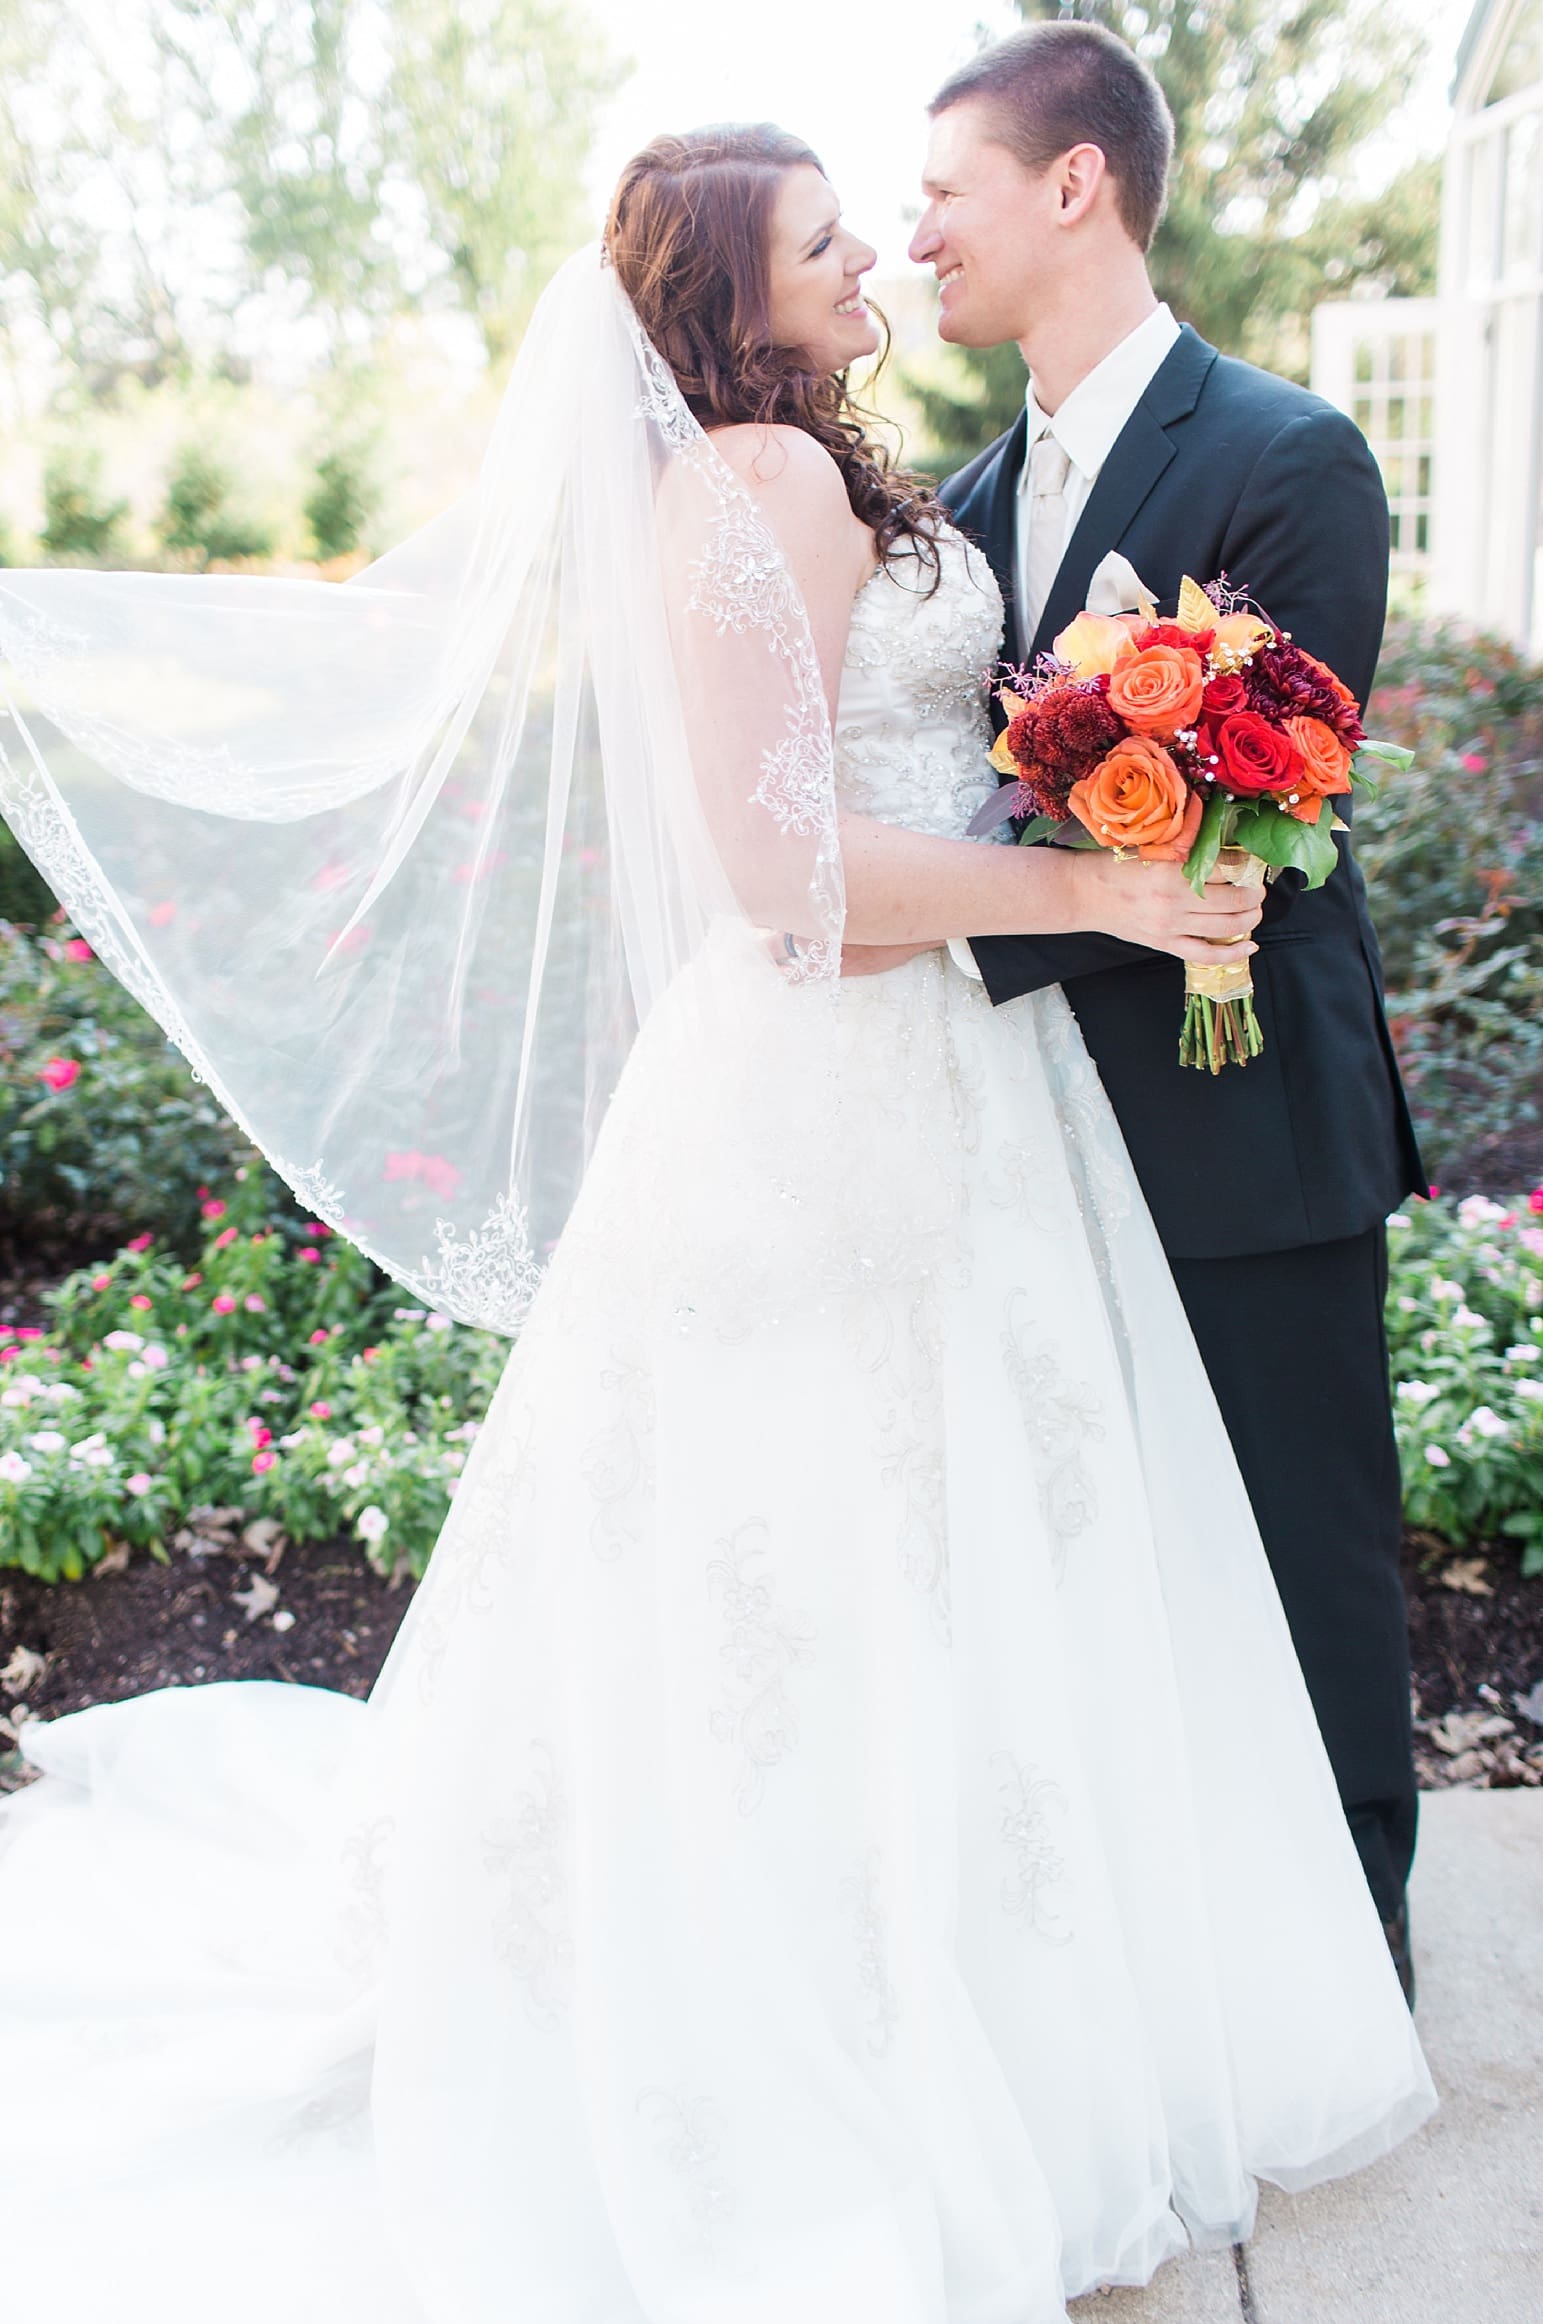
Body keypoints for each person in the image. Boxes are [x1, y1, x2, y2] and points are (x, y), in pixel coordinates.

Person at [0, 125, 1432, 2324]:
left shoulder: (851, 479)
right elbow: (789, 893)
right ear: (722, 297)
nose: (874, 250)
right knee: (834, 1561)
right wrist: (1099, 884)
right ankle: (828, 2044)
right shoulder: (745, 492)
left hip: (972, 1084)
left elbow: (926, 758)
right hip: (831, 1105)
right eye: (823, 239)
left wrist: (1119, 742)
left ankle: (982, 1989)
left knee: (952, 1564)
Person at [890, 21, 1426, 1999]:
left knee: (1301, 1545)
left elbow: (1264, 810)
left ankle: (1349, 1954)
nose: (913, 230)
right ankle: (1151, 1945)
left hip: (1241, 1112)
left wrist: (954, 917)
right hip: (1025, 1121)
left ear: (1071, 183)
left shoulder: (1289, 454)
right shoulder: (954, 497)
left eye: (942, 188)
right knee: (1096, 1555)